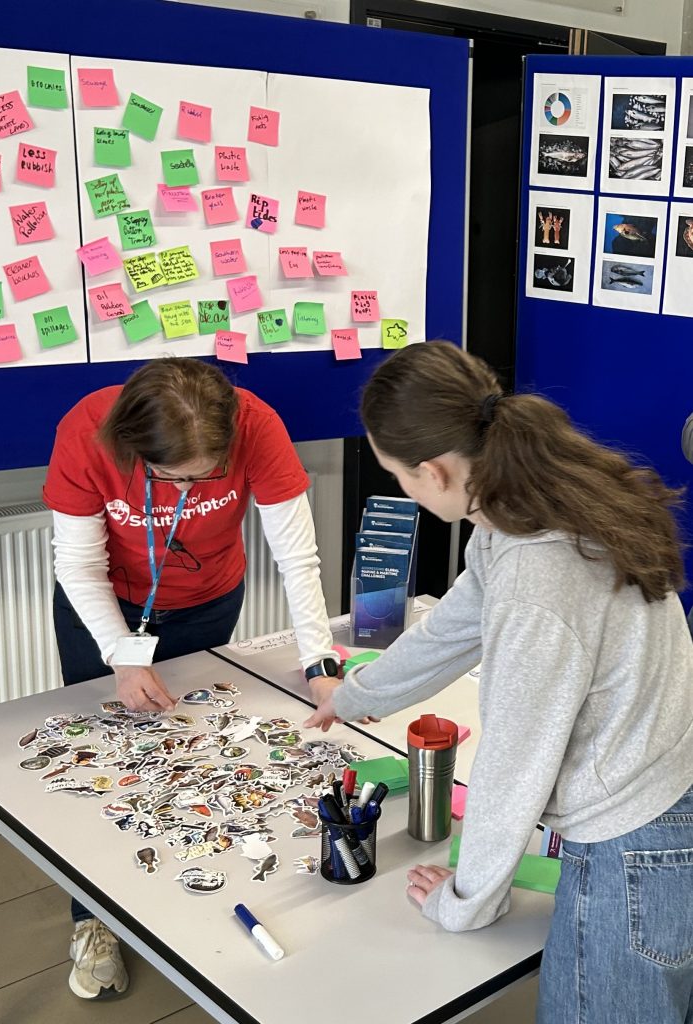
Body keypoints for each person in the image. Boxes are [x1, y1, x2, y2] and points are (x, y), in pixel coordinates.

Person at [306, 341, 693, 1024]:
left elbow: (514, 763)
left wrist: (466, 902)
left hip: (636, 844)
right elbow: (454, 627)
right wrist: (356, 696)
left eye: (397, 476)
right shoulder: (530, 500)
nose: (402, 489)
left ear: (433, 472)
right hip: (662, 790)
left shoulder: (535, 579)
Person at [43, 356, 342, 999]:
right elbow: (79, 564)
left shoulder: (257, 426)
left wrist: (320, 663)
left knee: (194, 753)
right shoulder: (86, 430)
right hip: (104, 603)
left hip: (207, 599)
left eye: (203, 477)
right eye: (170, 477)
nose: (186, 491)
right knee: (109, 760)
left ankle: (185, 893)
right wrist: (123, 655)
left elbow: (297, 557)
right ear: (133, 446)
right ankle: (93, 919)